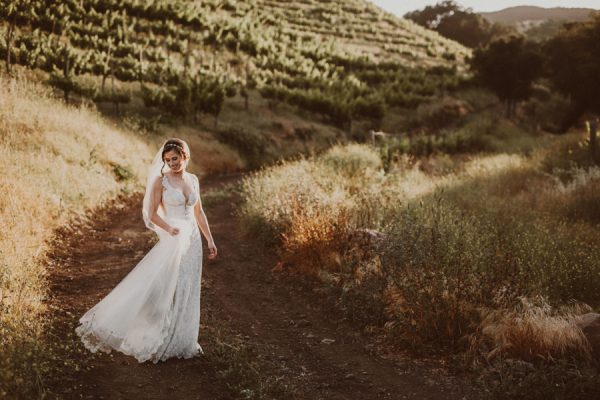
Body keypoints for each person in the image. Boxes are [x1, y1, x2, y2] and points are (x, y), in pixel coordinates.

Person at [75, 138, 217, 363]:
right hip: (174, 239)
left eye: (175, 159)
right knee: (169, 288)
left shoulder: (193, 180)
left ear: (185, 157)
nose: (172, 163)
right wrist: (169, 228)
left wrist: (209, 239)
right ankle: (162, 338)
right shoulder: (161, 182)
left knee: (189, 288)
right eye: (168, 160)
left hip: (193, 242)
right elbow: (151, 215)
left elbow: (199, 213)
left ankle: (185, 340)